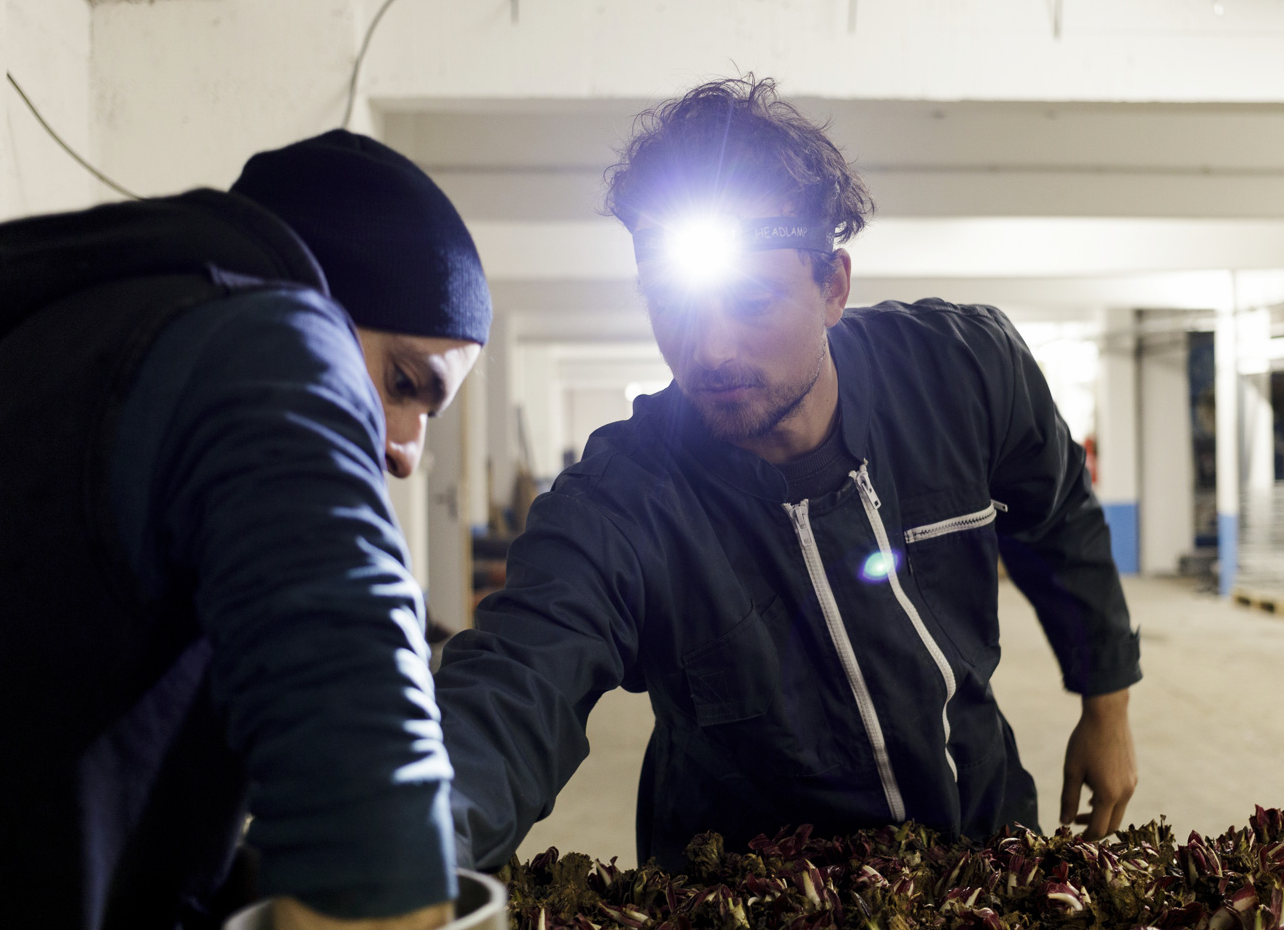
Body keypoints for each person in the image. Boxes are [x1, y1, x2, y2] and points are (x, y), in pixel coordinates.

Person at [436, 77, 1141, 872]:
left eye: (751, 301)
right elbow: (517, 679)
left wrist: (1106, 705)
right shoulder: (622, 500)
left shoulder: (964, 372)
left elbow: (1061, 520)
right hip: (747, 904)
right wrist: (412, 851)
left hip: (973, 853)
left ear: (832, 286)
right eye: (671, 303)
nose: (710, 348)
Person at [0, 131, 490, 930]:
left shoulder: (80, 343)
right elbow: (359, 759)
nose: (409, 452)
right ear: (324, 302)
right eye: (403, 383)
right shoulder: (271, 338)